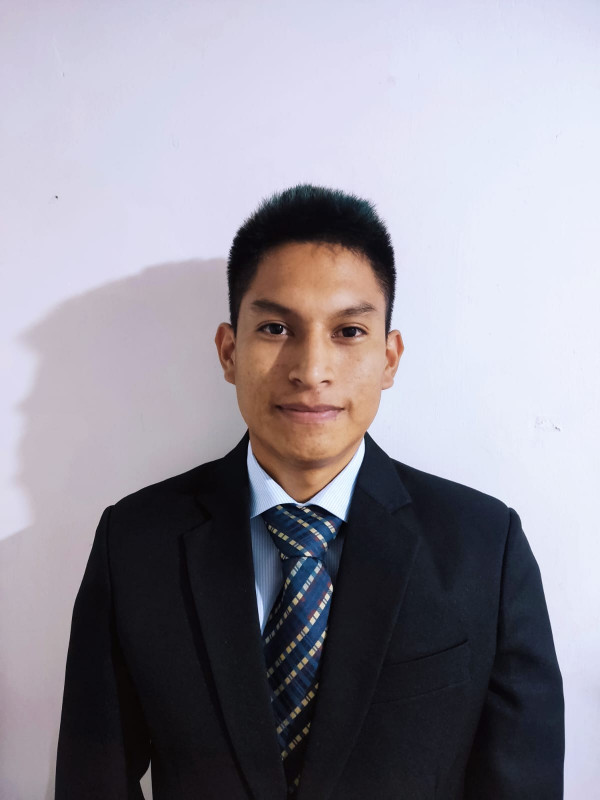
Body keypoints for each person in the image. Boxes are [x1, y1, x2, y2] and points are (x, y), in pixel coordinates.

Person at [56, 185, 564, 799]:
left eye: (348, 330)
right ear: (229, 351)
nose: (311, 370)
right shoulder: (136, 543)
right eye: (275, 327)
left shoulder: (485, 547)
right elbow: (93, 778)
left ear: (389, 358)